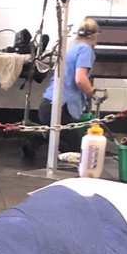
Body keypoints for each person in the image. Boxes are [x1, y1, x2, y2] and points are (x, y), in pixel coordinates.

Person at [22, 17, 99, 161]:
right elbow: (80, 78)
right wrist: (94, 93)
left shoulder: (71, 46)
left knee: (64, 141)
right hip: (61, 107)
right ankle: (40, 135)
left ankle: (40, 135)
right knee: (77, 153)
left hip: (49, 103)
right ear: (95, 35)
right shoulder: (86, 49)